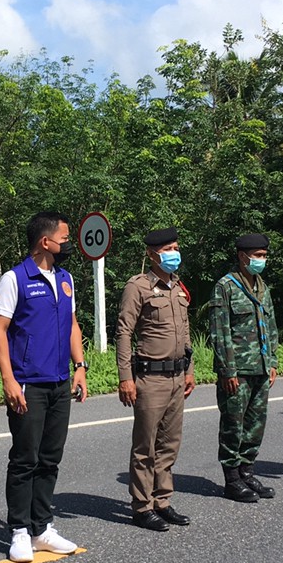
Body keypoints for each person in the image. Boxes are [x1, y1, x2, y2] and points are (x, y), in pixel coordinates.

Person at [0, 211, 87, 563]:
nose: (67, 245)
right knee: (25, 459)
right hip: (28, 383)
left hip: (60, 382)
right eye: (63, 239)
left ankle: (41, 528)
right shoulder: (15, 279)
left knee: (50, 458)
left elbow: (73, 324)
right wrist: (9, 379)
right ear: (45, 242)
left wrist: (80, 367)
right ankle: (18, 531)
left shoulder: (65, 279)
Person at [115, 228, 196, 532]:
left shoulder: (177, 287)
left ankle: (162, 500)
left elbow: (185, 331)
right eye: (168, 248)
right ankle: (141, 506)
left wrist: (189, 368)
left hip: (177, 376)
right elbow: (124, 332)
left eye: (176, 247)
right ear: (152, 254)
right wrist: (126, 377)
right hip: (150, 378)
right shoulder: (138, 287)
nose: (174, 253)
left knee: (169, 444)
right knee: (145, 446)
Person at [209, 233, 280, 502]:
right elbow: (220, 331)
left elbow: (271, 325)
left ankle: (247, 472)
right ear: (243, 256)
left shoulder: (262, 286)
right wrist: (227, 370)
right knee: (233, 425)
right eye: (258, 255)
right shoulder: (225, 286)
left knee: (255, 424)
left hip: (261, 368)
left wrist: (273, 361)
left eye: (264, 255)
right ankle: (232, 479)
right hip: (237, 370)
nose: (262, 260)